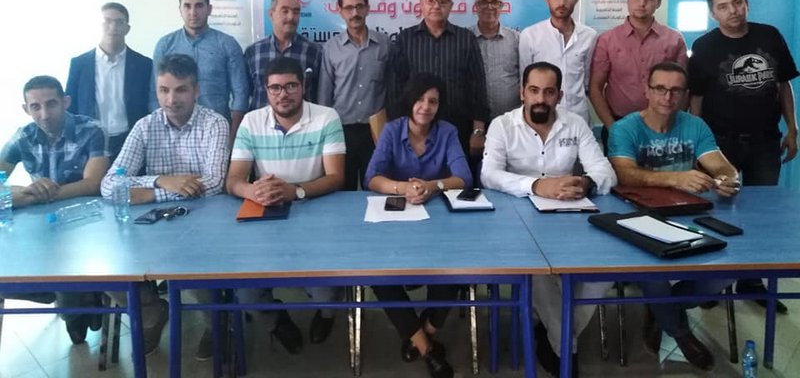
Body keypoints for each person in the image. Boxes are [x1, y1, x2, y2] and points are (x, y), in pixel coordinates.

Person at [482, 61, 615, 377]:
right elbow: (488, 175)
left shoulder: (575, 124)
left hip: (570, 222)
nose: (540, 99)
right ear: (522, 93)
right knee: (538, 273)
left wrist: (586, 183)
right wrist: (536, 185)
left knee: (605, 271)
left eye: (548, 92)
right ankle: (566, 350)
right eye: (534, 91)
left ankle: (551, 332)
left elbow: (605, 172)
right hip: (517, 224)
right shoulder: (502, 125)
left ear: (559, 95)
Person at [608, 61, 740, 372]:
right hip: (640, 217)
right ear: (647, 91)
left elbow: (722, 165)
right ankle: (680, 333)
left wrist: (727, 179)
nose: (667, 97)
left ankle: (661, 309)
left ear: (685, 95)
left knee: (729, 270)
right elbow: (625, 175)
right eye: (660, 89)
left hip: (691, 216)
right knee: (654, 274)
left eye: (675, 91)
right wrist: (676, 178)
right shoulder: (625, 128)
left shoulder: (695, 126)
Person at [101, 53, 229, 356]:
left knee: (193, 268)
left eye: (181, 89)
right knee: (107, 267)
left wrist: (146, 192)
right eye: (164, 90)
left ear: (196, 90)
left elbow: (213, 184)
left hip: (205, 223)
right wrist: (162, 181)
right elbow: (109, 185)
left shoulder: (215, 123)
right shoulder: (145, 127)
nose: (172, 99)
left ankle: (216, 324)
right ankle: (151, 310)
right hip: (152, 225)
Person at [689, 0, 799, 310]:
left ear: (747, 3)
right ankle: (712, 280)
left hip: (766, 141)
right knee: (717, 212)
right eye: (723, 6)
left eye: (737, 3)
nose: (732, 11)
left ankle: (752, 280)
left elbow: (783, 85)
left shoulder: (770, 36)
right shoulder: (704, 46)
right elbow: (696, 99)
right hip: (720, 145)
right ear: (713, 13)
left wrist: (792, 128)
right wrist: (697, 144)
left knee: (760, 215)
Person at [226, 57, 345, 353]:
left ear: (302, 86)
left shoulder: (326, 117)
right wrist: (253, 191)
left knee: (328, 293)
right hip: (266, 217)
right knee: (246, 295)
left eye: (291, 86)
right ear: (266, 91)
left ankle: (325, 314)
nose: (283, 94)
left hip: (315, 213)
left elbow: (336, 177)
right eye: (275, 88)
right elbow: (233, 181)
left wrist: (296, 191)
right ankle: (275, 321)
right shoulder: (251, 122)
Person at [364, 73, 472, 378]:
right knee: (379, 276)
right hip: (395, 224)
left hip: (438, 225)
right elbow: (371, 177)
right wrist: (402, 188)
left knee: (455, 269)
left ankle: (423, 331)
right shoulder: (392, 130)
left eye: (433, 101)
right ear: (409, 101)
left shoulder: (447, 132)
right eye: (420, 100)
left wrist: (432, 185)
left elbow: (464, 177)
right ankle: (427, 347)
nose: (425, 107)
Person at [0, 75, 109, 345]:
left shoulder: (91, 129)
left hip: (87, 222)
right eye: (35, 107)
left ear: (65, 102)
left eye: (51, 104)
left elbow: (93, 184)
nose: (44, 114)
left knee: (66, 267)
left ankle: (75, 303)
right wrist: (26, 193)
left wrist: (40, 194)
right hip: (40, 226)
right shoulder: (23, 136)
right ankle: (70, 296)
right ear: (26, 109)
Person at [388, 0, 489, 168]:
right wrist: (398, 131)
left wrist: (478, 131)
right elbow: (395, 89)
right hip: (415, 132)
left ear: (451, 6)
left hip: (459, 129)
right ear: (421, 4)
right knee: (418, 181)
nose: (436, 6)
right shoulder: (405, 39)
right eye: (430, 1)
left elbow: (477, 85)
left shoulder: (465, 39)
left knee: (459, 179)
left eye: (443, 2)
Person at [589, 0, 688, 150]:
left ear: (658, 3)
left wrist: (673, 125)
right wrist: (613, 128)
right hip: (619, 123)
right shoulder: (607, 40)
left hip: (664, 126)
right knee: (618, 170)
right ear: (628, 0)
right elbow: (595, 88)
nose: (642, 3)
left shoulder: (674, 40)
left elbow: (683, 89)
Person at [151, 0, 248, 144]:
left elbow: (240, 94)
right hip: (175, 134)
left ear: (209, 9)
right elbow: (155, 94)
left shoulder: (227, 44)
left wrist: (232, 138)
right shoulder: (165, 45)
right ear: (180, 10)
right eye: (187, 6)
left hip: (217, 131)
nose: (193, 12)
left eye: (199, 6)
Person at [318, 0, 389, 190]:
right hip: (341, 130)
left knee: (376, 187)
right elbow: (324, 95)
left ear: (367, 8)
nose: (355, 13)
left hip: (376, 131)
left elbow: (392, 88)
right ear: (340, 11)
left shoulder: (385, 44)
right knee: (342, 188)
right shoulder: (331, 48)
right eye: (348, 8)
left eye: (359, 6)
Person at [66, 2, 153, 160]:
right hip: (90, 142)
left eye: (119, 22)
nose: (113, 27)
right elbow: (70, 107)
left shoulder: (144, 64)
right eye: (107, 21)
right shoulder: (79, 64)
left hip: (131, 140)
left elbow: (150, 104)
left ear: (127, 28)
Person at [519, 0, 597, 125]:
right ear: (547, 0)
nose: (561, 3)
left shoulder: (589, 36)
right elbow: (525, 82)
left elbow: (587, 81)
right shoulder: (530, 35)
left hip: (578, 118)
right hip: (542, 118)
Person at [245, 0, 322, 109]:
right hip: (261, 119)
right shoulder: (254, 52)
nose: (291, 17)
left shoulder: (314, 51)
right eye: (285, 11)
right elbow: (246, 91)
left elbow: (319, 92)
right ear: (271, 14)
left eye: (296, 12)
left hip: (304, 119)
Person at [470, 0, 520, 120]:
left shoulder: (516, 39)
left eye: (495, 2)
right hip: (472, 119)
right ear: (476, 7)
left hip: (509, 118)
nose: (489, 7)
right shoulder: (465, 38)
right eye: (483, 2)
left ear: (502, 6)